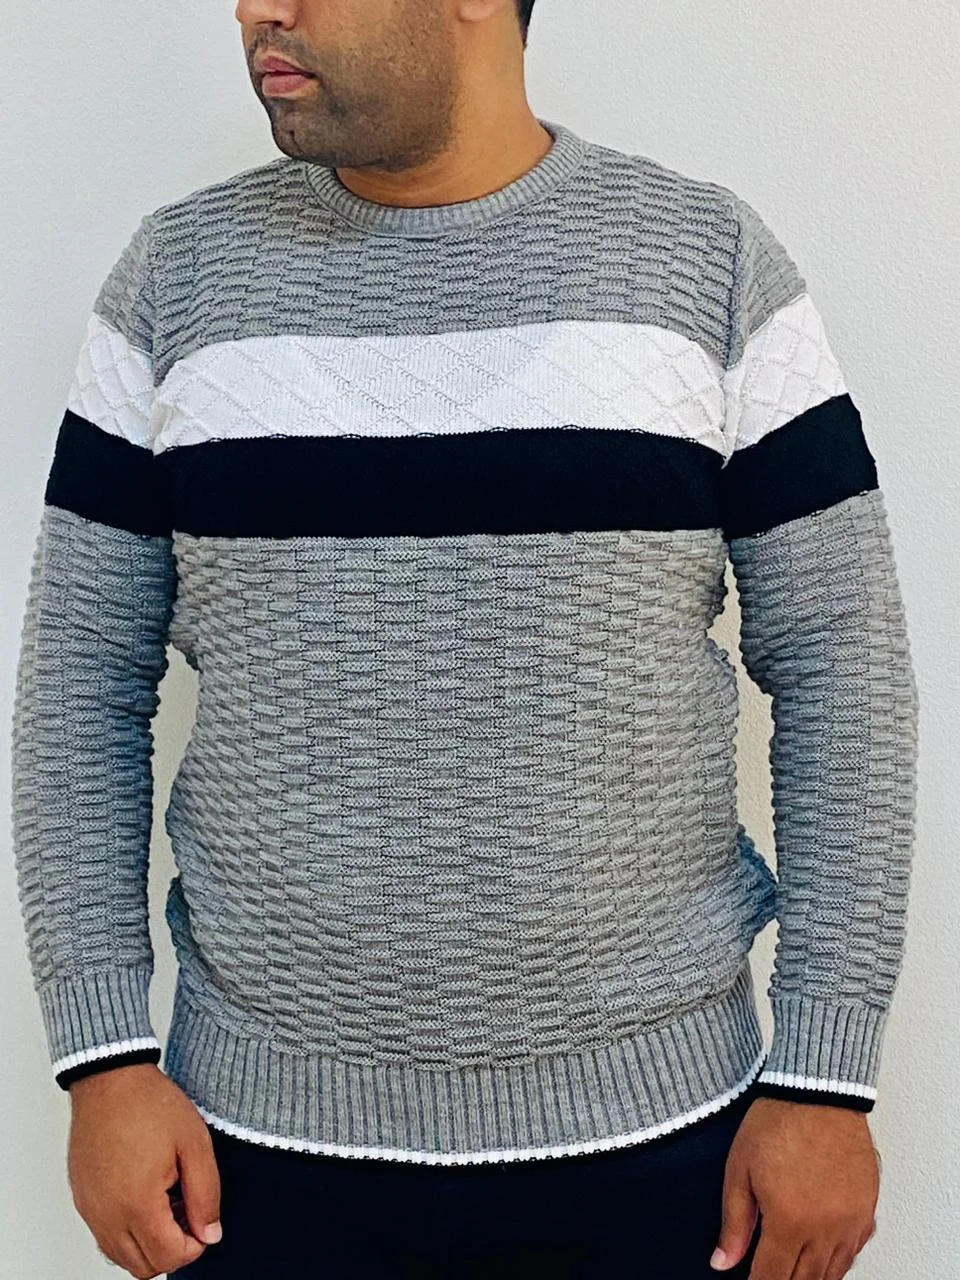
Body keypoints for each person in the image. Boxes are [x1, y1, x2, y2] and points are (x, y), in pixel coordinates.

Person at [9, 0, 918, 1276]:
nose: (257, 9)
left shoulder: (704, 263)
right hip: (251, 1156)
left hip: (667, 1153)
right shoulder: (178, 279)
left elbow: (842, 666)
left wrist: (826, 1072)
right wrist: (102, 1054)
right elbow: (78, 677)